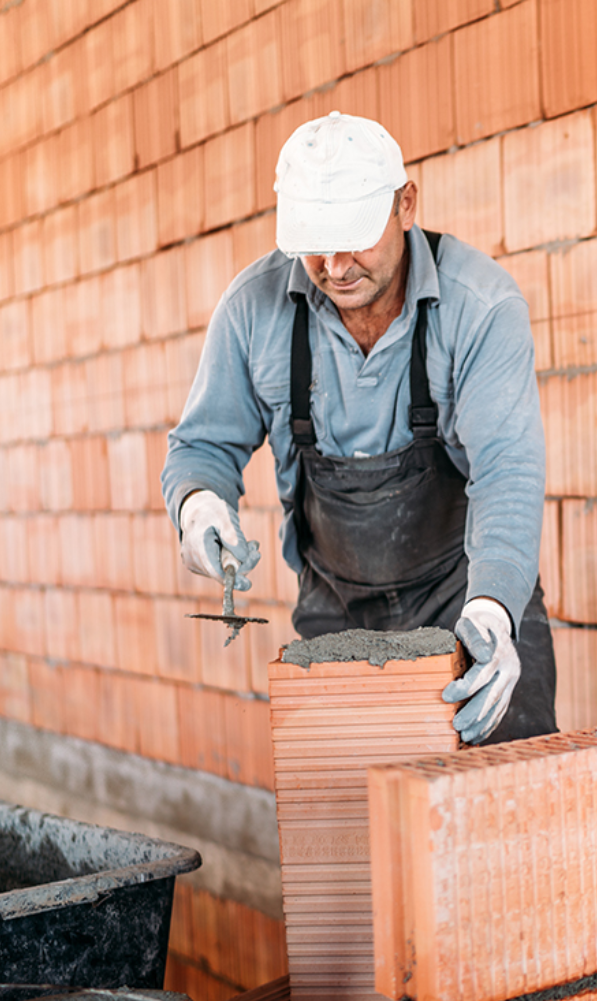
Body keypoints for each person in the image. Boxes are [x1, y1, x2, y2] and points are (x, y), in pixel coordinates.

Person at [161, 112, 557, 745]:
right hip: (336, 614)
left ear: (406, 205)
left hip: (466, 599)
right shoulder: (252, 311)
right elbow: (203, 444)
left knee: (507, 812)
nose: (336, 264)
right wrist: (198, 504)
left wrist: (494, 612)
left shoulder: (480, 306)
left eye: (353, 238)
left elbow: (507, 469)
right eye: (315, 243)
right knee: (347, 821)